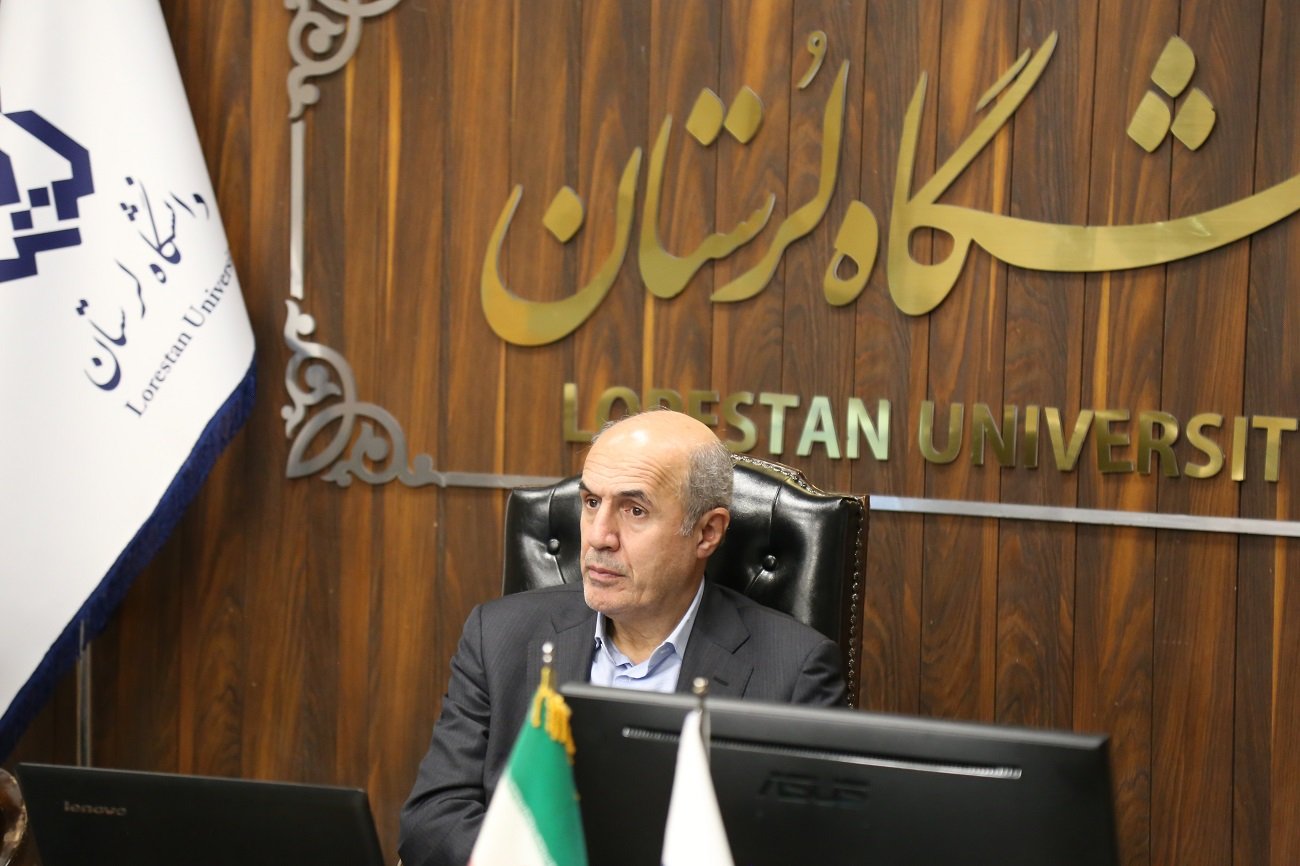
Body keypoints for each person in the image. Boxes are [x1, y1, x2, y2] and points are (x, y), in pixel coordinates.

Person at [398, 410, 845, 866]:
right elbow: (432, 821)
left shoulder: (793, 672)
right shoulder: (498, 636)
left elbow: (807, 851)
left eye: (635, 510)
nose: (599, 537)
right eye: (591, 502)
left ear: (707, 532)